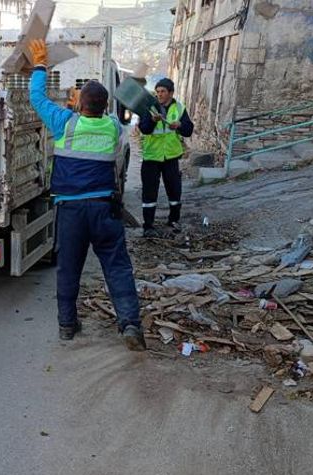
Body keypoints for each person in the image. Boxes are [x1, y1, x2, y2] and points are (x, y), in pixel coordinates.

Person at [28, 39, 145, 351]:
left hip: (71, 211)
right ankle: (130, 323)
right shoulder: (113, 129)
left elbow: (36, 97)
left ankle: (67, 325)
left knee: (69, 267)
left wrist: (40, 63)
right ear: (104, 107)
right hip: (105, 209)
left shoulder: (64, 124)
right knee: (117, 266)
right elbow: (119, 133)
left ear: (79, 103)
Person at [137, 78, 193, 237]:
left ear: (171, 93)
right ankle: (148, 226)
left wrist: (180, 125)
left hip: (171, 157)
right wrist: (152, 122)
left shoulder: (179, 108)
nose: (159, 95)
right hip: (151, 157)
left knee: (174, 190)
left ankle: (174, 220)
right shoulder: (149, 108)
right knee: (149, 192)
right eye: (157, 92)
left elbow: (189, 130)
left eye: (162, 92)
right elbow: (144, 129)